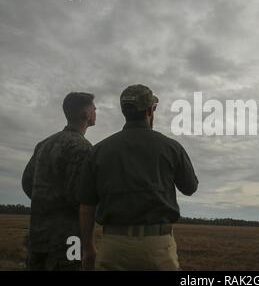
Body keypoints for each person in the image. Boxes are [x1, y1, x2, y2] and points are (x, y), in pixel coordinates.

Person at [79, 84, 198, 271]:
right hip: (157, 246)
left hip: (112, 246)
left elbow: (87, 206)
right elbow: (190, 188)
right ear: (150, 110)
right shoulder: (171, 147)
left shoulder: (99, 151)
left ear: (124, 111)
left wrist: (87, 249)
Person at [22, 92, 96, 270]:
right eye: (94, 109)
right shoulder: (83, 147)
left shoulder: (44, 144)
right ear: (85, 114)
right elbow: (80, 196)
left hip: (37, 237)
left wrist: (47, 202)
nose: (95, 112)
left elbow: (27, 182)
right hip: (67, 241)